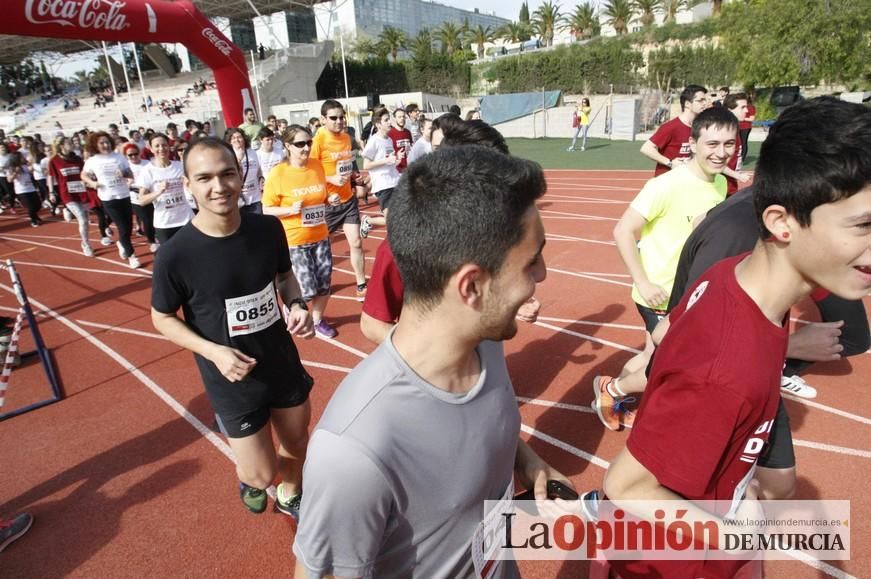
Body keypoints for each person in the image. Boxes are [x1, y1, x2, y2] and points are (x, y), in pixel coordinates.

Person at [601, 96, 871, 579]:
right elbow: (628, 486)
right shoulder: (726, 369)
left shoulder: (733, 275)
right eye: (864, 225)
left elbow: (673, 341)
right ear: (780, 222)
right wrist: (742, 538)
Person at [294, 145, 572, 578]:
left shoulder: (486, 343)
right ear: (472, 287)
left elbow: (475, 429)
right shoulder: (354, 452)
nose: (542, 276)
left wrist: (527, 461)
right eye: (531, 262)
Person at [151, 136, 315, 519]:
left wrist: (297, 304)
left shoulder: (267, 229)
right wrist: (214, 352)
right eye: (204, 177)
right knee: (261, 474)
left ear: (241, 176)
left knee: (296, 441)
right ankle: (251, 476)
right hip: (231, 375)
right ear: (187, 185)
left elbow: (286, 277)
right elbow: (161, 317)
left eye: (227, 174)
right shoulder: (175, 256)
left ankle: (292, 493)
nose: (218, 186)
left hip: (279, 360)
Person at [593, 106, 735, 429]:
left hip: (688, 292)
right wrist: (642, 282)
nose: (721, 152)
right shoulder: (666, 186)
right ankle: (613, 391)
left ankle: (610, 390)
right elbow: (622, 230)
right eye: (712, 144)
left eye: (728, 144)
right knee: (666, 363)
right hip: (658, 293)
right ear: (694, 142)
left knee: (650, 356)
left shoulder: (720, 185)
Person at [262, 125, 337, 339]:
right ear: (287, 146)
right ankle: (293, 310)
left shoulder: (316, 166)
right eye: (300, 144)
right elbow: (267, 208)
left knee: (324, 284)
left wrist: (330, 199)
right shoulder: (278, 173)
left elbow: (322, 195)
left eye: (309, 142)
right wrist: (289, 209)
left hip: (321, 235)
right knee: (306, 288)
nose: (306, 147)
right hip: (295, 239)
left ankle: (317, 320)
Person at [310, 99, 367, 298]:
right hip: (327, 204)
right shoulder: (318, 140)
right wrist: (330, 180)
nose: (339, 121)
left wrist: (355, 178)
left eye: (342, 117)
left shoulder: (346, 137)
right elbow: (309, 171)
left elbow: (348, 161)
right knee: (320, 248)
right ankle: (316, 282)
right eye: (333, 118)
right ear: (323, 119)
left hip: (348, 200)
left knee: (357, 243)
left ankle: (361, 283)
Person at [81, 131, 141, 268]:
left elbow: (128, 172)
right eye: (102, 143)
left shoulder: (118, 157)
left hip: (124, 194)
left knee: (128, 227)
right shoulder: (93, 160)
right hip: (108, 197)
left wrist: (128, 178)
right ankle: (132, 255)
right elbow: (83, 175)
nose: (105, 145)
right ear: (95, 145)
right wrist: (93, 183)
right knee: (122, 227)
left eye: (107, 142)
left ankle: (121, 242)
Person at [137, 133, 194, 245]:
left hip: (187, 219)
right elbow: (141, 200)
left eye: (164, 145)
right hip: (165, 223)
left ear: (169, 146)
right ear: (151, 149)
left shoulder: (180, 166)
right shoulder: (147, 171)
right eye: (157, 146)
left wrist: (189, 185)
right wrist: (159, 192)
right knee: (171, 258)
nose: (161, 148)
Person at [640, 84, 709, 176]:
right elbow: (646, 148)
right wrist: (670, 163)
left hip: (685, 180)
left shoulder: (699, 127)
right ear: (687, 104)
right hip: (666, 181)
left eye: (705, 100)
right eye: (700, 100)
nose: (704, 103)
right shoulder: (671, 126)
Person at [360, 107, 402, 239]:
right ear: (378, 124)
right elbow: (366, 165)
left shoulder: (389, 140)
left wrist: (396, 159)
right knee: (391, 220)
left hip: (395, 181)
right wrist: (386, 160)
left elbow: (389, 162)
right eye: (386, 120)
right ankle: (368, 220)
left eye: (389, 119)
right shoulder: (373, 140)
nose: (390, 122)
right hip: (383, 186)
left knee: (401, 217)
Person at [48, 136, 94, 255]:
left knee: (86, 218)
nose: (73, 144)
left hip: (81, 192)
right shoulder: (54, 161)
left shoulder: (77, 159)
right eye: (69, 143)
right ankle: (86, 244)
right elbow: (51, 177)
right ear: (62, 146)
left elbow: (85, 173)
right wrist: (51, 192)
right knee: (82, 220)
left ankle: (67, 211)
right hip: (67, 194)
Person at [123, 143, 158, 253]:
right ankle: (152, 241)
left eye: (135, 154)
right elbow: (122, 184)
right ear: (126, 156)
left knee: (155, 218)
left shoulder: (147, 163)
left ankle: (156, 236)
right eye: (130, 155)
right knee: (147, 220)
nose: (133, 156)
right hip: (136, 198)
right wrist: (130, 185)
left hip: (152, 196)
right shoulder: (126, 167)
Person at [225, 128, 263, 214]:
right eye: (233, 138)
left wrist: (261, 178)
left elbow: (258, 169)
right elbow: (229, 173)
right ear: (230, 141)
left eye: (239, 137)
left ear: (244, 139)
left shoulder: (252, 152)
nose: (237, 140)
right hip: (239, 199)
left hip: (255, 197)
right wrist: (238, 159)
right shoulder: (228, 154)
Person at [722, 93, 753, 195]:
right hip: (721, 188)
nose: (747, 111)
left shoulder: (735, 130)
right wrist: (738, 176)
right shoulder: (725, 133)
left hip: (730, 186)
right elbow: (716, 163)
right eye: (742, 107)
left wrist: (737, 172)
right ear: (730, 110)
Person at [6, 152, 42, 227]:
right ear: (17, 159)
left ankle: (34, 216)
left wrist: (31, 167)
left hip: (31, 188)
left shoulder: (25, 166)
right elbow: (9, 180)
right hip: (22, 190)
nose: (23, 158)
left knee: (38, 204)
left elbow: (31, 171)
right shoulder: (11, 168)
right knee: (31, 206)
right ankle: (33, 220)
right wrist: (15, 173)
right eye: (21, 157)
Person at [387, 108, 412, 173]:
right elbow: (387, 154)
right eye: (399, 117)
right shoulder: (390, 134)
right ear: (395, 118)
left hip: (409, 168)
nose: (402, 119)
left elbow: (410, 148)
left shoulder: (408, 132)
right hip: (396, 170)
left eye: (403, 117)